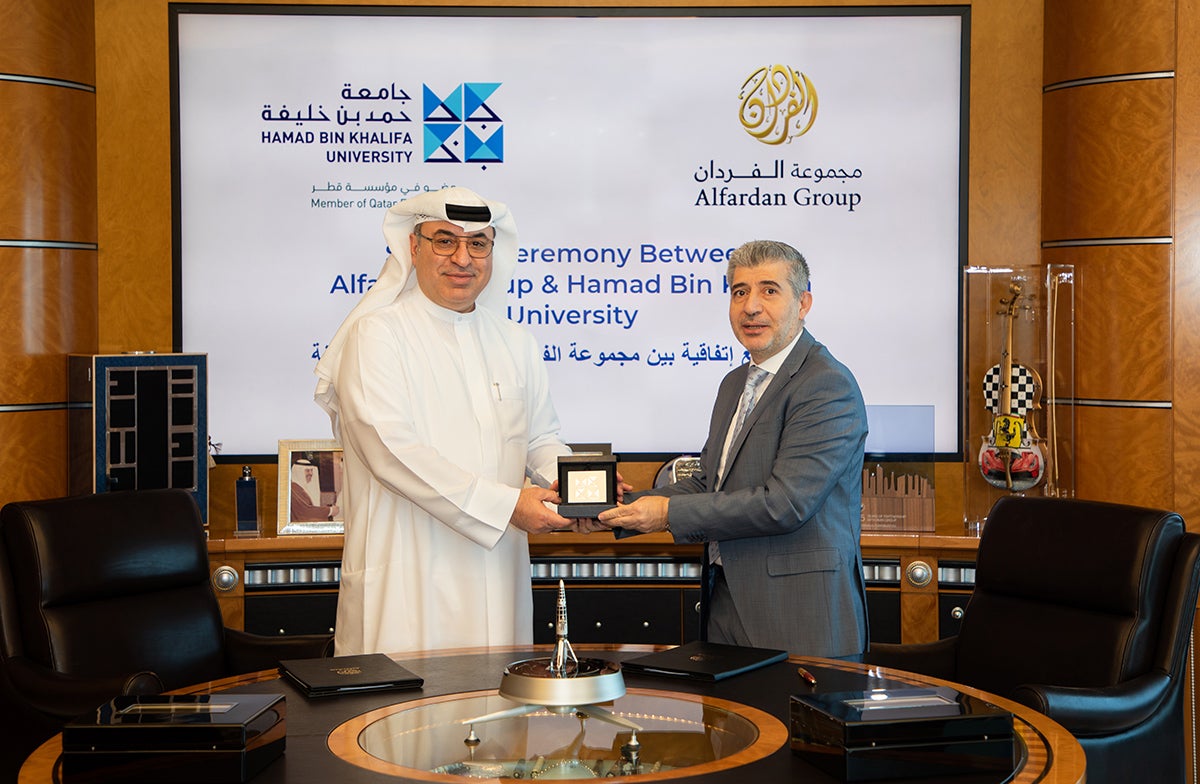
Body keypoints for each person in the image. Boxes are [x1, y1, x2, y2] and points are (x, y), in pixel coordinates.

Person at [314, 186, 578, 655]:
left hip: (496, 574)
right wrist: (506, 507)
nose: (463, 258)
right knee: (400, 721)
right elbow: (392, 451)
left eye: (478, 243)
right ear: (413, 248)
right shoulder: (375, 335)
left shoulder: (515, 340)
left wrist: (581, 491)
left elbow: (540, 438)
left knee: (497, 719)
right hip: (406, 576)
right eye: (444, 241)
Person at [597, 240, 869, 659]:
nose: (751, 306)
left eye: (769, 290)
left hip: (800, 620)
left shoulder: (825, 384)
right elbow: (710, 482)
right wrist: (612, 509)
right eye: (739, 291)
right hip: (727, 609)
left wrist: (665, 513)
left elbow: (785, 504)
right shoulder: (733, 384)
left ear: (803, 302)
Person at [289, 457, 339, 522]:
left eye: (311, 470)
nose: (311, 473)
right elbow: (305, 511)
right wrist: (330, 510)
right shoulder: (294, 489)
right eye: (307, 471)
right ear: (298, 472)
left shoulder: (302, 487)